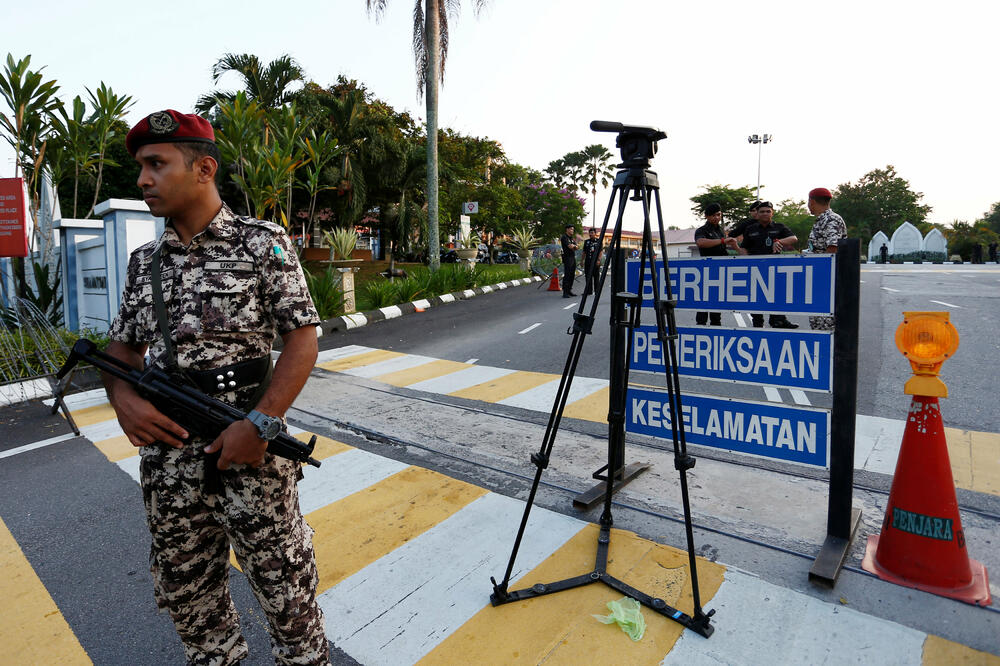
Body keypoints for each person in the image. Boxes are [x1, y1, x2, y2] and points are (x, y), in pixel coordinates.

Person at [103, 110, 329, 665]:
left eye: (156, 164)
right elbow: (120, 350)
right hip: (172, 460)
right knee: (189, 598)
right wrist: (125, 401)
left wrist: (261, 424)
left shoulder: (261, 243)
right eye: (140, 166)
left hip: (249, 454)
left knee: (287, 597)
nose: (143, 180)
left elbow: (302, 340)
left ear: (203, 169)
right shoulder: (145, 263)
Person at [740, 201, 799, 328]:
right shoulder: (750, 229)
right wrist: (745, 260)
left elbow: (794, 238)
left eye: (768, 211)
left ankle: (777, 322)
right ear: (757, 213)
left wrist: (779, 241)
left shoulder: (779, 227)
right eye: (762, 211)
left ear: (772, 213)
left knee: (776, 298)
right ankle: (757, 325)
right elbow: (744, 247)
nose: (765, 214)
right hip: (756, 270)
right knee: (757, 301)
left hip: (774, 271)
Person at [806, 188, 847, 330]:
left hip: (827, 279)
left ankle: (828, 351)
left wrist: (823, 277)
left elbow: (832, 249)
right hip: (819, 277)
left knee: (826, 322)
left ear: (811, 201)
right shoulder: (821, 220)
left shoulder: (831, 219)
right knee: (817, 320)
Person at [694, 203, 738, 325]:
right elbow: (701, 243)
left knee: (716, 306)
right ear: (707, 216)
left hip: (720, 272)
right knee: (703, 306)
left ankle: (715, 327)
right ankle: (700, 329)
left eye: (718, 215)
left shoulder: (720, 231)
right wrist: (723, 240)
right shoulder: (701, 230)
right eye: (713, 215)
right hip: (706, 272)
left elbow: (723, 250)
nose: (716, 217)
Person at [582, 227, 603, 295]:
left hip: (596, 262)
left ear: (595, 233)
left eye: (592, 233)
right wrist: (582, 260)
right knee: (588, 277)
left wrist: (599, 260)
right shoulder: (586, 242)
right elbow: (584, 252)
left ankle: (597, 291)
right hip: (588, 262)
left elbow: (600, 252)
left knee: (596, 277)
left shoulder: (599, 241)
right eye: (590, 233)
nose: (590, 234)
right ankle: (588, 291)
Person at [560, 224, 579, 298]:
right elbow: (570, 246)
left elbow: (576, 247)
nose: (572, 231)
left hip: (572, 257)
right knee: (567, 274)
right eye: (571, 229)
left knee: (572, 274)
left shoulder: (571, 238)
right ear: (567, 229)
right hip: (567, 257)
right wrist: (574, 246)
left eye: (573, 229)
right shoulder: (564, 237)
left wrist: (574, 246)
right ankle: (565, 292)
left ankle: (569, 290)